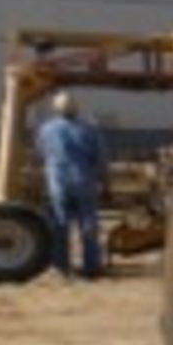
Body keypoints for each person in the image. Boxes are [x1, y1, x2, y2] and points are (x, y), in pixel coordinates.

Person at [35, 91, 108, 279]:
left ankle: (61, 266)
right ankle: (91, 266)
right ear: (76, 108)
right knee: (88, 222)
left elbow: (42, 153)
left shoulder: (47, 129)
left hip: (58, 181)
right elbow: (99, 157)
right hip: (84, 179)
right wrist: (102, 178)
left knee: (60, 223)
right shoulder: (89, 129)